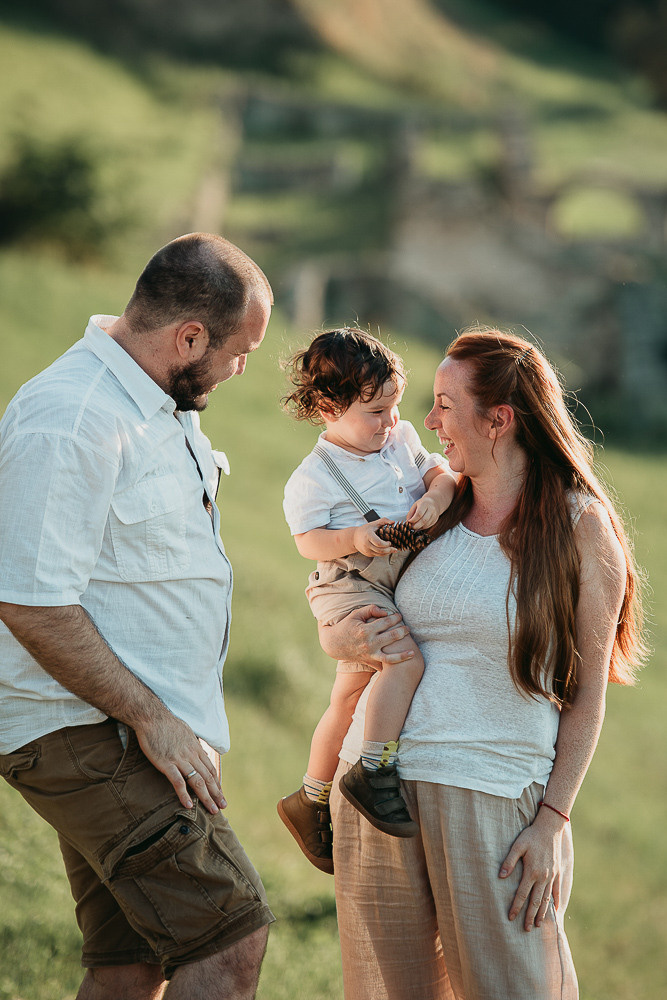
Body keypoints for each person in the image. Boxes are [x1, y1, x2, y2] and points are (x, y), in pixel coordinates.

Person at [318, 328, 646, 1000]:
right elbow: (346, 607)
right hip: (379, 794)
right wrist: (345, 639)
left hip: (491, 797)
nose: (427, 421)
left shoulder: (580, 526)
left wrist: (552, 820)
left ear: (498, 420)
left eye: (444, 404)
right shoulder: (429, 508)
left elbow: (588, 693)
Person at [0, 233, 275, 1000]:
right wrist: (152, 719)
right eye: (239, 352)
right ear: (189, 337)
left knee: (129, 967)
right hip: (88, 730)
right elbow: (28, 599)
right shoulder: (73, 415)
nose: (240, 368)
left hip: (127, 728)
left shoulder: (157, 403)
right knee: (230, 940)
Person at [276, 328, 455, 874]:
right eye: (375, 411)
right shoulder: (314, 477)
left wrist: (437, 497)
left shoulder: (399, 439)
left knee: (351, 694)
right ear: (330, 408)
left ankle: (309, 797)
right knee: (404, 660)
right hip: (348, 583)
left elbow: (440, 474)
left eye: (395, 406)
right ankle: (373, 769)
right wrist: (355, 536)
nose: (390, 421)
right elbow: (308, 543)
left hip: (389, 578)